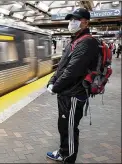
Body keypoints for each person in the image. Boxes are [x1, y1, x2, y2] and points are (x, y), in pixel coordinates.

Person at [46, 8, 100, 164]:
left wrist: (55, 87)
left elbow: (73, 71)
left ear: (86, 22)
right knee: (63, 126)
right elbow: (62, 66)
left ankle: (68, 158)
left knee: (69, 128)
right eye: (71, 20)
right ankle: (63, 151)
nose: (72, 22)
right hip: (66, 94)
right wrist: (51, 80)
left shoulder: (87, 42)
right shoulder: (74, 40)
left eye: (76, 19)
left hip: (74, 95)